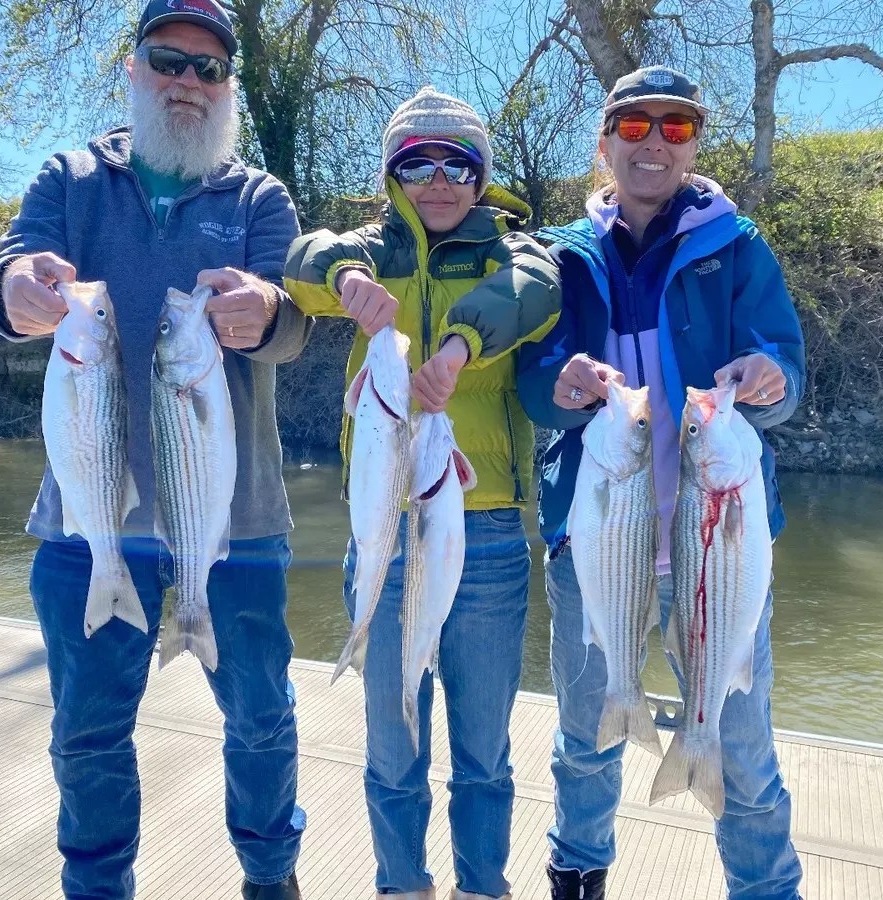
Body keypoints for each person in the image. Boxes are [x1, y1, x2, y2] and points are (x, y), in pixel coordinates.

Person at [0, 2, 311, 897]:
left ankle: (271, 882)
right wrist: (13, 286)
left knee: (263, 726)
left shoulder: (257, 197)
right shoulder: (72, 177)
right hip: (86, 523)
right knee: (85, 735)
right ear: (134, 69)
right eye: (169, 60)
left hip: (235, 522)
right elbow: (8, 270)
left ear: (228, 88)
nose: (187, 82)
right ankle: (97, 886)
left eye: (208, 70)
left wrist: (269, 311)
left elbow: (294, 322)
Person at [516, 65, 806, 900]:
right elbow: (536, 380)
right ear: (605, 142)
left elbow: (785, 367)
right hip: (598, 531)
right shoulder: (563, 257)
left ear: (693, 146)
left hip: (721, 538)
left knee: (743, 743)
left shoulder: (738, 247)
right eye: (635, 127)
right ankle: (578, 871)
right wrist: (559, 385)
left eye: (675, 128)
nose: (653, 143)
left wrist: (769, 376)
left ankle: (766, 889)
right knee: (587, 733)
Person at [284, 87, 561, 900]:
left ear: (480, 178)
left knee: (483, 756)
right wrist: (342, 275)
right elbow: (300, 260)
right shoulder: (365, 252)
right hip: (382, 538)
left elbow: (534, 291)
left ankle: (482, 887)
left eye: (458, 163)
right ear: (392, 175)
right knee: (393, 749)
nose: (438, 180)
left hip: (488, 543)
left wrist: (459, 343)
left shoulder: (516, 252)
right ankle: (401, 886)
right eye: (417, 163)